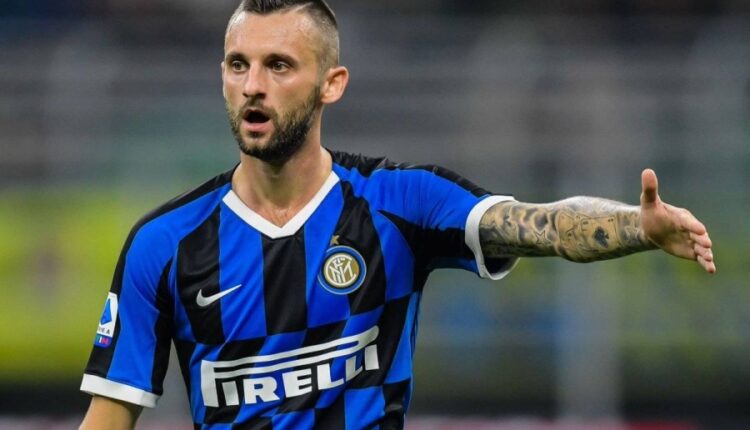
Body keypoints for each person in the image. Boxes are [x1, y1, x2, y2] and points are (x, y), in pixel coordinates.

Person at [78, 0, 715, 428]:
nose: (253, 86)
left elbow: (540, 224)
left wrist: (637, 226)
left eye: (279, 66)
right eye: (238, 65)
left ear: (332, 83)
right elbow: (108, 419)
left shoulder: (399, 203)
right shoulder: (164, 245)